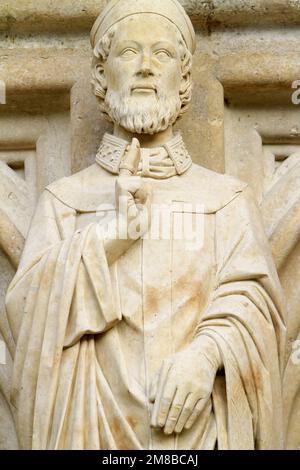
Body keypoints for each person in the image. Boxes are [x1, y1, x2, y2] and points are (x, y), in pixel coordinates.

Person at [5, 0, 286, 450]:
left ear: (185, 78)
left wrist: (207, 353)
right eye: (129, 53)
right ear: (101, 77)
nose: (145, 69)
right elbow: (26, 318)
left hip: (201, 438)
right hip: (92, 433)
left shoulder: (227, 200)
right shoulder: (63, 202)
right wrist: (105, 242)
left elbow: (259, 310)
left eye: (162, 55)